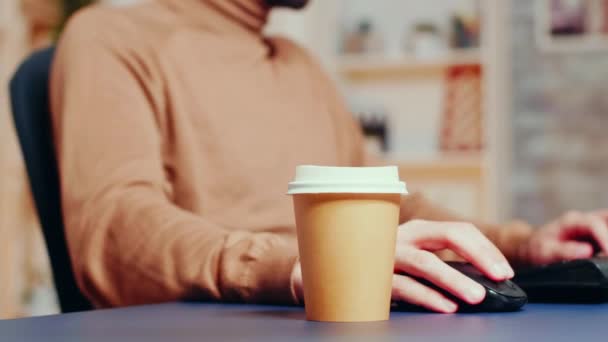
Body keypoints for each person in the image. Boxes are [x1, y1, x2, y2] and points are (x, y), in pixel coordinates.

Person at [50, 0, 608, 313]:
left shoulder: (301, 64)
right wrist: (305, 266)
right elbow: (116, 226)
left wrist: (521, 245)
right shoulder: (109, 35)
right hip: (233, 313)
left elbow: (392, 204)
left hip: (344, 309)